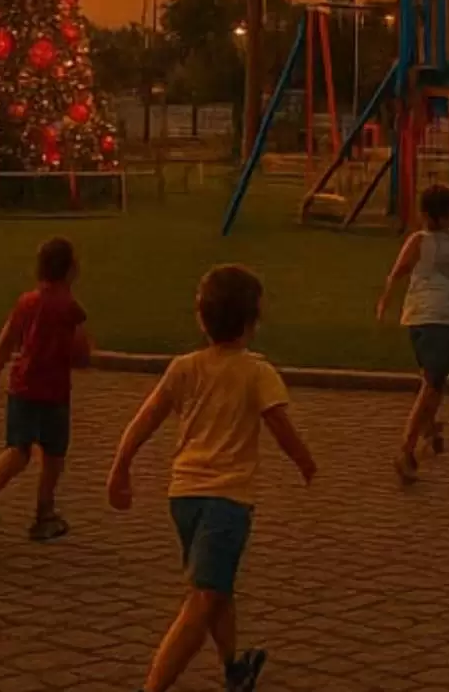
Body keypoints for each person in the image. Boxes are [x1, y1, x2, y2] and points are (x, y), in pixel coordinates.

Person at [108, 264, 316, 692]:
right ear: (253, 320)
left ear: (201, 318)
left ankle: (233, 668)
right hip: (227, 500)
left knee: (217, 586)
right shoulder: (257, 372)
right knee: (203, 599)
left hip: (183, 497)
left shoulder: (184, 367)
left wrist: (121, 465)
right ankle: (154, 685)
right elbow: (279, 425)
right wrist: (305, 461)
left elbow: (145, 419)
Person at [0, 235, 90, 542]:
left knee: (16, 450)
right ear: (71, 270)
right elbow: (83, 354)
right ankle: (44, 512)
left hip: (21, 388)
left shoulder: (26, 302)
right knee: (54, 454)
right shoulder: (70, 308)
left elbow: (7, 339)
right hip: (54, 393)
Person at [376, 183, 449, 485]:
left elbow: (396, 273)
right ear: (448, 214)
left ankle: (430, 430)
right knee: (432, 384)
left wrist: (384, 304)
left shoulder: (418, 241)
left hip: (416, 320)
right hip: (440, 320)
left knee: (433, 380)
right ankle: (406, 448)